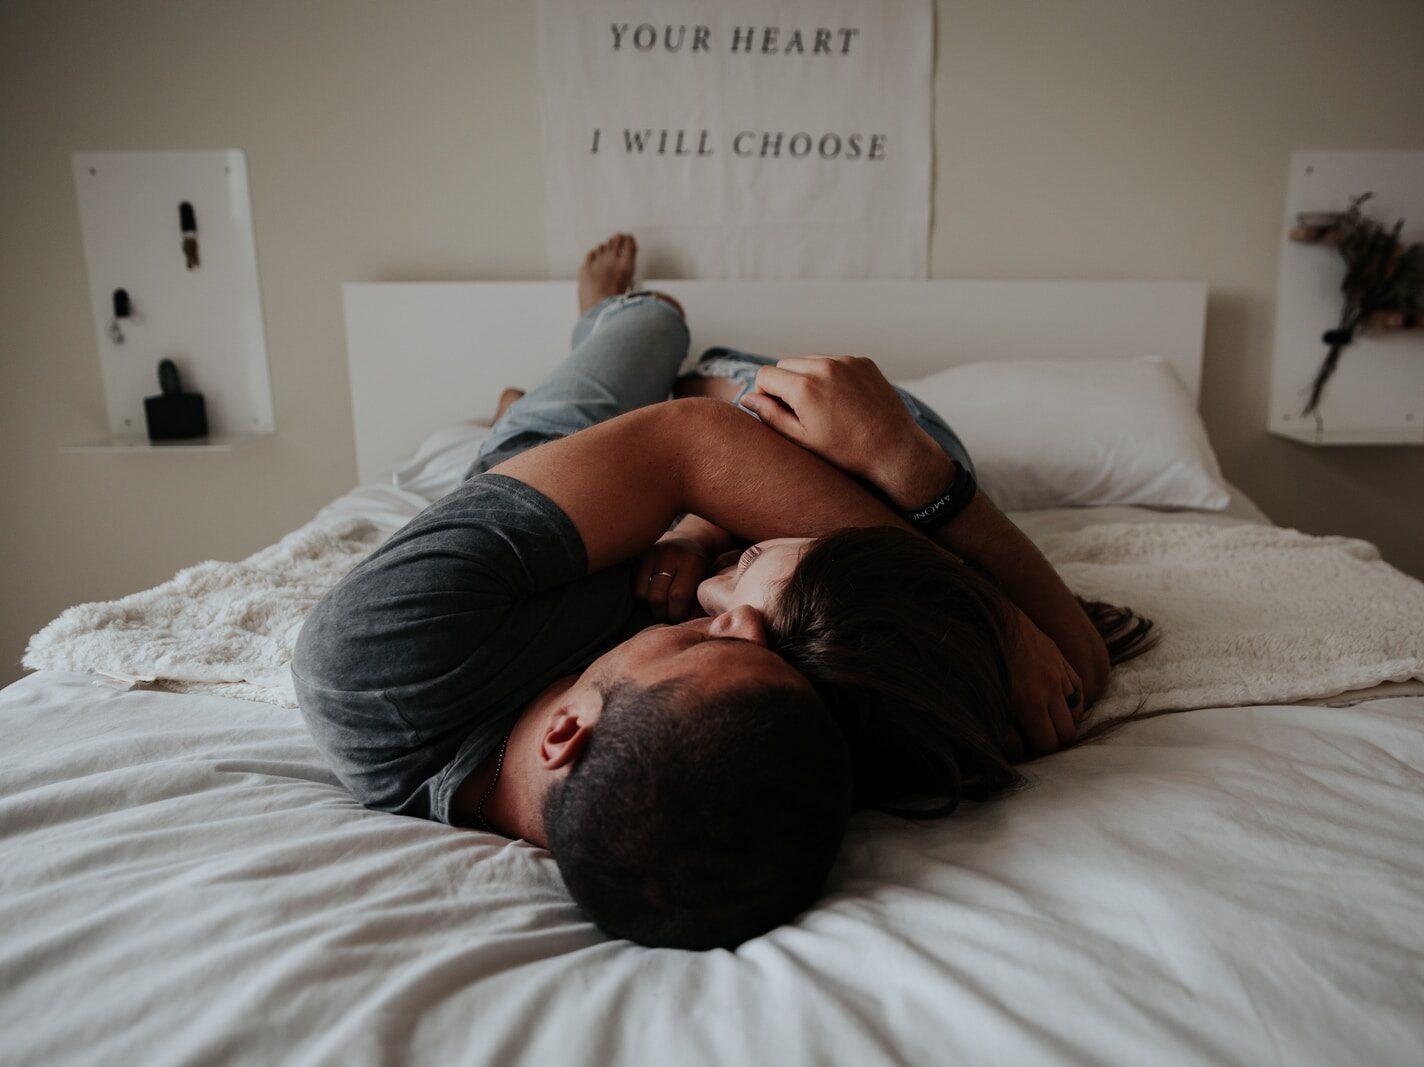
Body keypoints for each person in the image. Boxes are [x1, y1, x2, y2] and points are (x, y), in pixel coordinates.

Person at [293, 234, 1137, 950]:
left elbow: (689, 445)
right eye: (753, 639)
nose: (732, 617)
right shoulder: (783, 752)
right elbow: (1071, 670)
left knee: (653, 323)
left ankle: (589, 347)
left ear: (564, 732)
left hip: (549, 470)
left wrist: (699, 506)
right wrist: (947, 530)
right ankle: (708, 380)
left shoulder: (372, 664)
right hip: (706, 474)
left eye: (706, 643)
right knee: (900, 435)